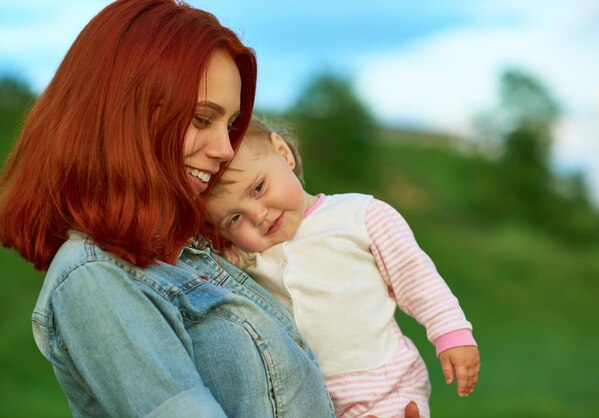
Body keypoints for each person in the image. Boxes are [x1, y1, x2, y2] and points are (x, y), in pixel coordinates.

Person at [0, 1, 341, 416]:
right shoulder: (94, 275)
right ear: (125, 113)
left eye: (230, 125)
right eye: (201, 119)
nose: (224, 150)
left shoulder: (195, 253)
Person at [206, 117, 481, 418]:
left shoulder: (359, 216)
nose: (258, 215)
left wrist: (451, 333)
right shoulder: (243, 258)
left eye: (258, 188)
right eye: (234, 219)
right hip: (309, 399)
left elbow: (416, 277)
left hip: (387, 387)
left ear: (283, 152)